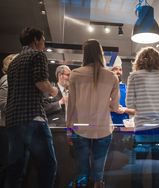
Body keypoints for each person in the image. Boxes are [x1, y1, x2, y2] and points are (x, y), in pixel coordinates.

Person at [5, 27, 58, 188]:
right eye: (43, 39)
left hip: (13, 120)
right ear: (36, 40)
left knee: (16, 169)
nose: (44, 44)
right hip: (33, 118)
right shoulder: (38, 55)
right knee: (48, 165)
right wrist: (53, 91)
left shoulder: (14, 62)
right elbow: (41, 83)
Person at [66, 39, 120, 188]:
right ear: (100, 53)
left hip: (80, 128)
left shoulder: (75, 74)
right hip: (103, 128)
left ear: (85, 54)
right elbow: (115, 106)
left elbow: (71, 106)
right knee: (98, 176)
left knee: (82, 174)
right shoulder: (112, 77)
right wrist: (103, 104)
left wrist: (68, 130)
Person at [126, 47, 159, 188]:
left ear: (139, 60)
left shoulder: (134, 76)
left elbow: (129, 104)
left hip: (142, 130)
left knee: (137, 170)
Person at [0, 54, 17, 187]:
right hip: (5, 128)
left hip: (9, 127)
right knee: (6, 165)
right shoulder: (7, 79)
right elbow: (3, 104)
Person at [110, 56, 135, 125]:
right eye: (115, 69)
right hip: (107, 126)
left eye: (120, 69)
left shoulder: (127, 89)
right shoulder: (104, 89)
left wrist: (125, 110)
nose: (118, 72)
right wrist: (113, 109)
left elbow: (137, 111)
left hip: (125, 128)